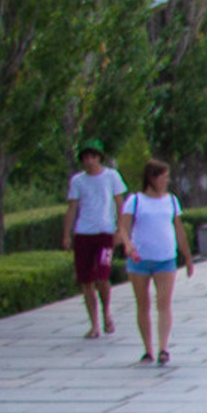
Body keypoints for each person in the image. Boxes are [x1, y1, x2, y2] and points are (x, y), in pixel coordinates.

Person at [118, 158, 196, 366]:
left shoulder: (171, 201)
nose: (166, 181)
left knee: (164, 303)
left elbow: (178, 230)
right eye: (163, 177)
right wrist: (128, 245)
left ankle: (163, 347)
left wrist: (187, 256)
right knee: (142, 304)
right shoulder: (135, 201)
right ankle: (148, 349)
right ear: (152, 178)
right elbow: (123, 228)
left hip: (166, 258)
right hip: (140, 259)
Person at [64, 140, 120, 341]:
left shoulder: (111, 176)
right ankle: (94, 323)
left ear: (99, 157)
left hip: (105, 232)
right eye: (85, 157)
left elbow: (120, 203)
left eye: (92, 156)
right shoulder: (78, 181)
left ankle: (107, 313)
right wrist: (66, 234)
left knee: (103, 276)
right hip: (83, 233)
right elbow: (72, 207)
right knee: (86, 280)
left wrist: (121, 230)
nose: (89, 161)